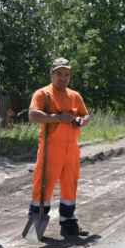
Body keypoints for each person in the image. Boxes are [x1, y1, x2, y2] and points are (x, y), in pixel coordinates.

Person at [27, 57, 91, 238]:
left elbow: (86, 115)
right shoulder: (43, 94)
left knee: (70, 186)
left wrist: (80, 121)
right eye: (59, 74)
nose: (63, 78)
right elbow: (32, 115)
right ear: (52, 74)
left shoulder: (74, 96)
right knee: (43, 186)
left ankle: (68, 222)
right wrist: (58, 118)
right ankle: (35, 224)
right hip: (50, 149)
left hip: (71, 149)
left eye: (66, 74)